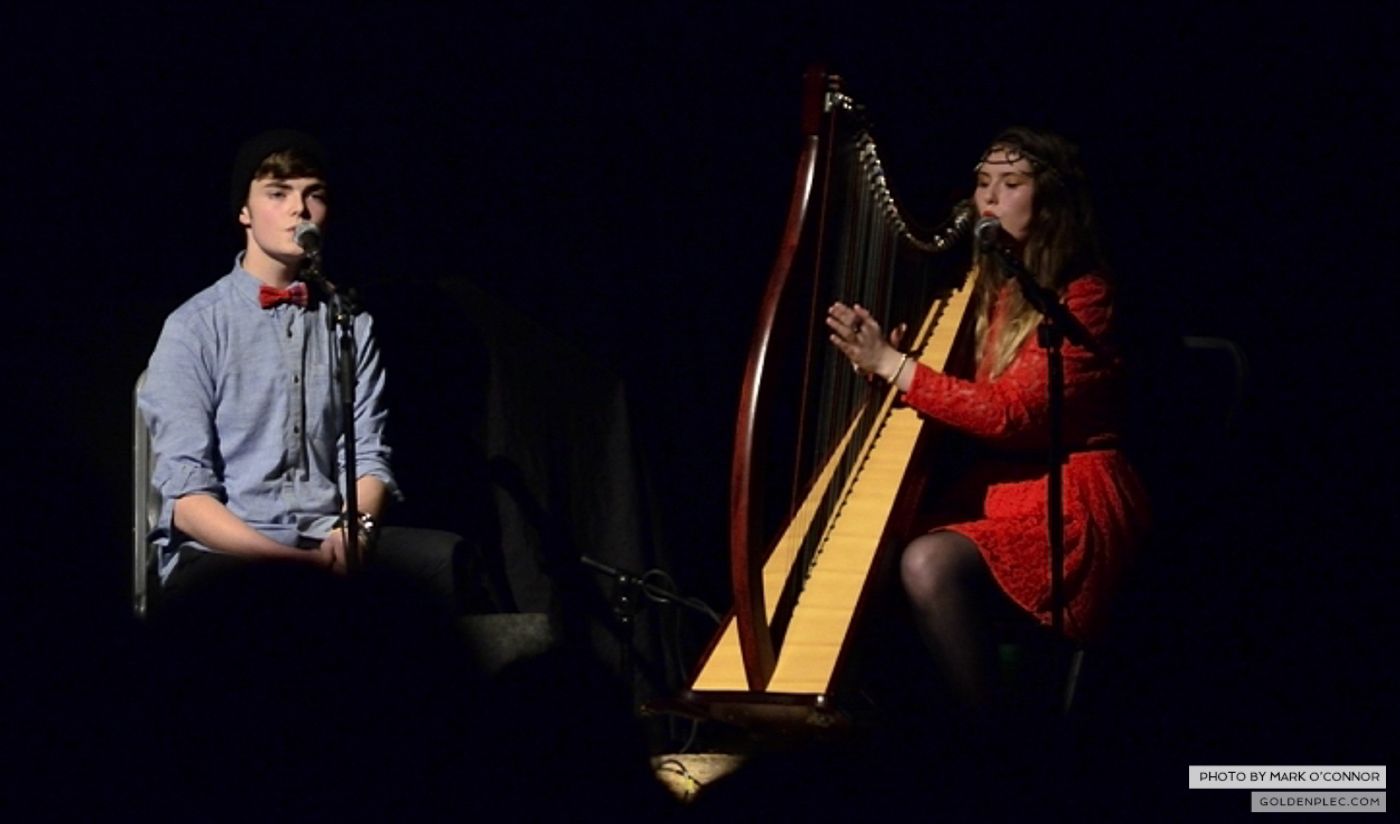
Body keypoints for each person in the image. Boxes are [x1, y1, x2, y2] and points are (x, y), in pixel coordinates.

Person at [826, 126, 1150, 708]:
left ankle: (996, 750)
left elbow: (1011, 414)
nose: (989, 199)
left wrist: (899, 366)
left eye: (1011, 183)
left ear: (1050, 201)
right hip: (1002, 490)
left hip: (1072, 499)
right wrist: (888, 366)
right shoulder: (995, 295)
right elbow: (972, 396)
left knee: (927, 562)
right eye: (981, 184)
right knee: (875, 550)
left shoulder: (1084, 299)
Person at [138, 129, 453, 608]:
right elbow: (185, 498)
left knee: (446, 561)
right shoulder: (194, 328)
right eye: (278, 193)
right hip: (229, 547)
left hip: (326, 535)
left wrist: (355, 533)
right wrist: (284, 564)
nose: (299, 209)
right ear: (244, 211)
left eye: (314, 195)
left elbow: (367, 456)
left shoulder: (349, 323)